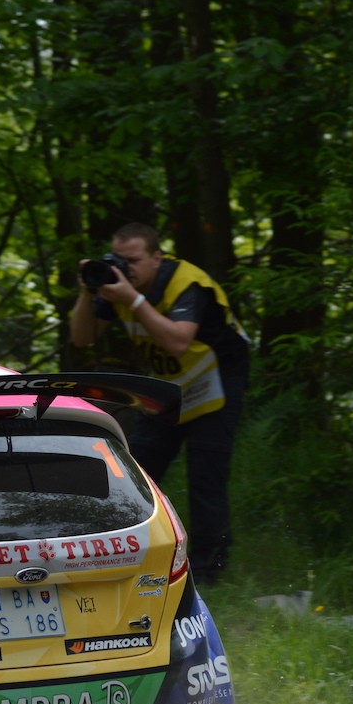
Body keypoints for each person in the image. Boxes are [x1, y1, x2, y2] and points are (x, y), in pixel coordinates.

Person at [69, 222, 249, 585]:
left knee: (206, 470)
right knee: (139, 467)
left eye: (133, 260)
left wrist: (132, 300)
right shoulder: (118, 285)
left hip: (214, 378)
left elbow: (179, 342)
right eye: (119, 259)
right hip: (171, 383)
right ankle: (119, 553)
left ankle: (210, 569)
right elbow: (82, 338)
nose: (126, 268)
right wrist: (88, 292)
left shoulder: (186, 283)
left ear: (157, 257)